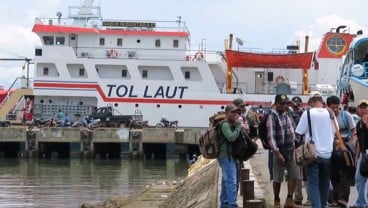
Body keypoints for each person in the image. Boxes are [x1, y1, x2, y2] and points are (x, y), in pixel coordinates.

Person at [295, 91, 336, 208]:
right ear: (322, 101)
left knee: (313, 183)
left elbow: (298, 132)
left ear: (311, 101)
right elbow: (335, 131)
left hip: (313, 154)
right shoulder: (330, 114)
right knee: (324, 184)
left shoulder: (307, 113)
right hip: (327, 155)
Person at [267, 94, 299, 208]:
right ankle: (276, 199)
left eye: (286, 103)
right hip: (279, 150)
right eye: (281, 104)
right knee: (278, 177)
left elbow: (298, 117)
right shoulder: (272, 117)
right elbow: (271, 138)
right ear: (276, 105)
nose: (284, 106)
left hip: (291, 149)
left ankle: (289, 199)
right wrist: (277, 153)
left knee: (294, 174)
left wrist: (294, 106)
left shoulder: (288, 113)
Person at [326, 95, 356, 207]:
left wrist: (351, 145)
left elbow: (354, 132)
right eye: (332, 108)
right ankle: (334, 199)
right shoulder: (326, 116)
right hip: (331, 148)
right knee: (333, 174)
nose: (335, 110)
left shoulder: (346, 115)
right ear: (327, 106)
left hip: (345, 148)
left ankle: (343, 199)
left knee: (345, 173)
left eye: (336, 107)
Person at [218, 103, 242, 208]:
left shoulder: (230, 124)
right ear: (226, 113)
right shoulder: (225, 125)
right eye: (232, 112)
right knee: (231, 181)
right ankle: (232, 204)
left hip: (229, 156)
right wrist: (238, 127)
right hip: (226, 156)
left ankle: (224, 203)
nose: (235, 114)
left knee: (225, 181)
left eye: (236, 112)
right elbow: (231, 137)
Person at [288, 96, 305, 206]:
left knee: (297, 172)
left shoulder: (290, 114)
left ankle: (298, 196)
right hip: (302, 144)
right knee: (300, 172)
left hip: (296, 145)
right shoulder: (303, 113)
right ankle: (299, 196)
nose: (296, 106)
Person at [351, 99, 368, 208]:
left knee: (361, 179)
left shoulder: (364, 121)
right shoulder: (358, 123)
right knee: (360, 179)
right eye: (361, 107)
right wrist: (356, 156)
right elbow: (358, 141)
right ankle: (362, 202)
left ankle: (362, 203)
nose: (363, 109)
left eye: (365, 106)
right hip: (363, 153)